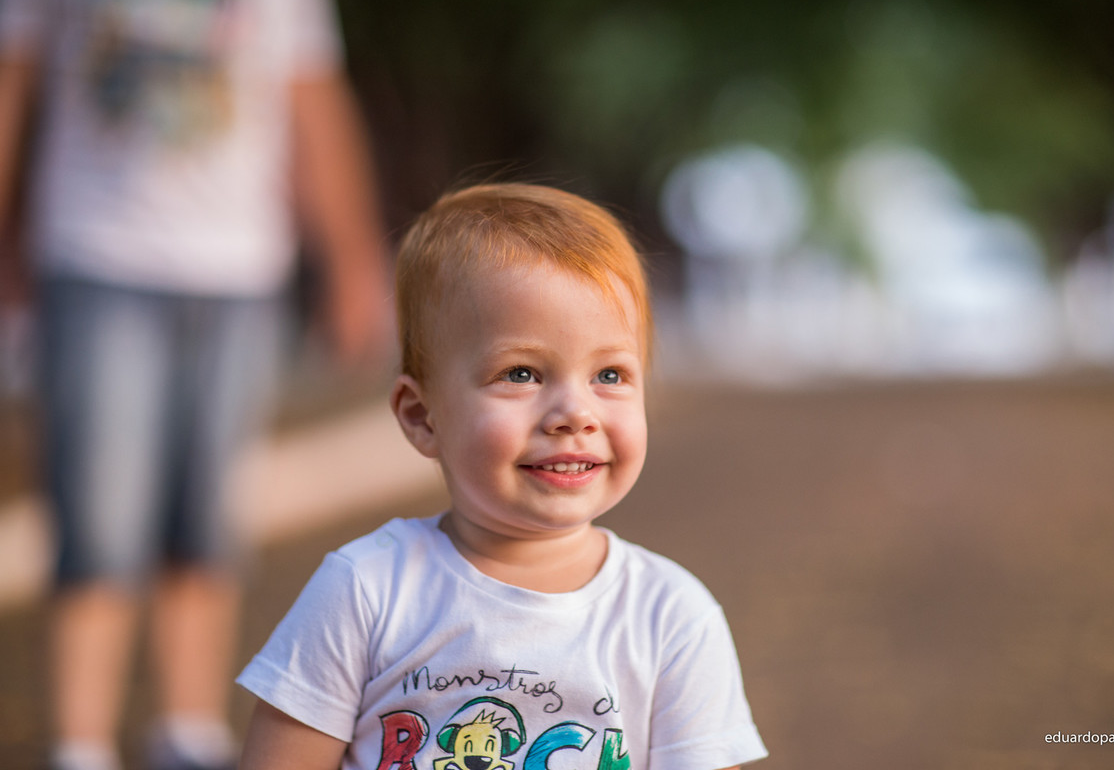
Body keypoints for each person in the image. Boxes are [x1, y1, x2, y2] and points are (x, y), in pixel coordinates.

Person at [236, 183, 769, 770]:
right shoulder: (366, 591)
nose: (575, 414)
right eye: (521, 373)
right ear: (421, 416)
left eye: (610, 375)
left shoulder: (671, 619)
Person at [0, 0, 390, 770]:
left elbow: (312, 98)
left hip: (240, 270)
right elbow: (13, 81)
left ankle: (187, 729)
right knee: (97, 515)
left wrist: (351, 259)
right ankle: (81, 742)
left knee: (205, 516)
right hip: (94, 255)